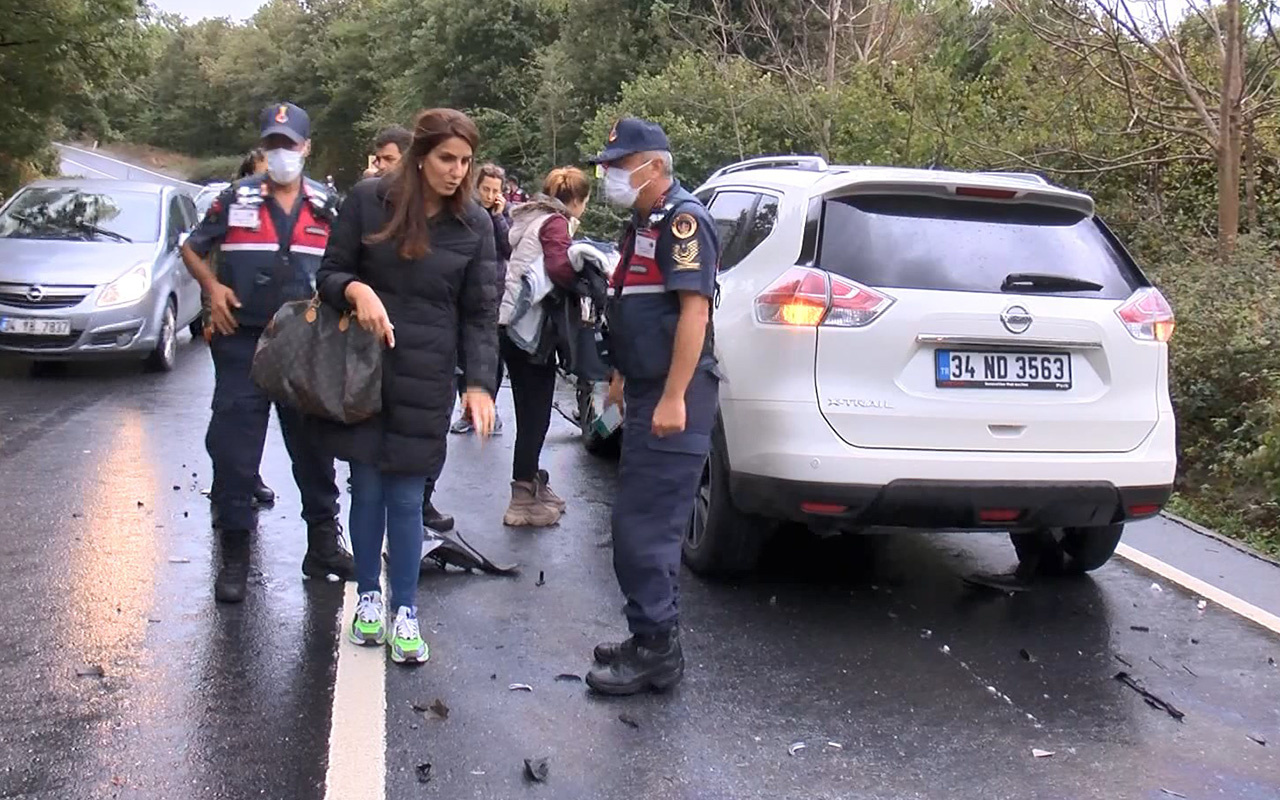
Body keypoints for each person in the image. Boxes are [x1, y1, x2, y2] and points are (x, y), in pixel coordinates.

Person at [315, 108, 498, 664]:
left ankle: (406, 611)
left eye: (465, 162)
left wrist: (481, 385)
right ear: (421, 156)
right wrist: (355, 291)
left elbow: (480, 314)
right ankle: (369, 596)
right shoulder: (370, 201)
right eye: (447, 159)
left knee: (406, 496)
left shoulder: (475, 224)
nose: (457, 171)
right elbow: (326, 274)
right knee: (367, 486)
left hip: (427, 372)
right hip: (364, 370)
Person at [181, 102, 354, 604]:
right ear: (263, 147)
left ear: (306, 148)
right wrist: (212, 289)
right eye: (273, 144)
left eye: (290, 144)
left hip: (305, 344)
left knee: (314, 447)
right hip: (243, 341)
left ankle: (323, 543)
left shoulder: (327, 204)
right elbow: (192, 247)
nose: (281, 153)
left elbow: (347, 262)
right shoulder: (235, 199)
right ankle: (234, 554)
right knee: (236, 451)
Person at [583, 119, 721, 695]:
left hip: (674, 393)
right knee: (638, 522)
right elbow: (637, 307)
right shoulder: (644, 225)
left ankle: (657, 649)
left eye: (621, 163)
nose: (611, 174)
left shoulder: (682, 222)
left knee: (646, 527)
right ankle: (648, 634)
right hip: (644, 388)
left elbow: (695, 314)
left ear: (654, 166)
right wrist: (620, 375)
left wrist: (670, 396)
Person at [497, 166, 590, 527]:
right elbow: (559, 269)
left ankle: (533, 480)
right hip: (530, 330)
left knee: (528, 409)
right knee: (535, 415)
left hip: (511, 325)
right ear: (578, 200)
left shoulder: (531, 218)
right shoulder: (555, 223)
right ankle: (521, 499)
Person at [451, 162, 511, 435]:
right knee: (463, 354)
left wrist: (498, 217)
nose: (488, 195)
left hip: (495, 292)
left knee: (491, 356)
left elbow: (509, 247)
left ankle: (490, 406)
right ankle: (466, 409)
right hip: (463, 289)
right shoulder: (466, 213)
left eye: (494, 190)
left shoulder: (504, 217)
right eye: (485, 189)